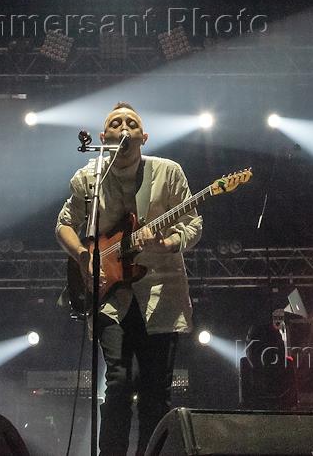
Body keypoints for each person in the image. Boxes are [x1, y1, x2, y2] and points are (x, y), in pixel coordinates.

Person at [56, 102, 202, 456]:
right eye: (116, 123)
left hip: (161, 294)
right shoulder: (89, 178)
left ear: (144, 137)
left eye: (132, 124)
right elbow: (64, 224)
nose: (124, 128)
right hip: (110, 296)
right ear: (103, 136)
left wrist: (166, 243)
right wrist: (83, 256)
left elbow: (193, 224)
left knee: (155, 391)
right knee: (118, 382)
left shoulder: (168, 173)